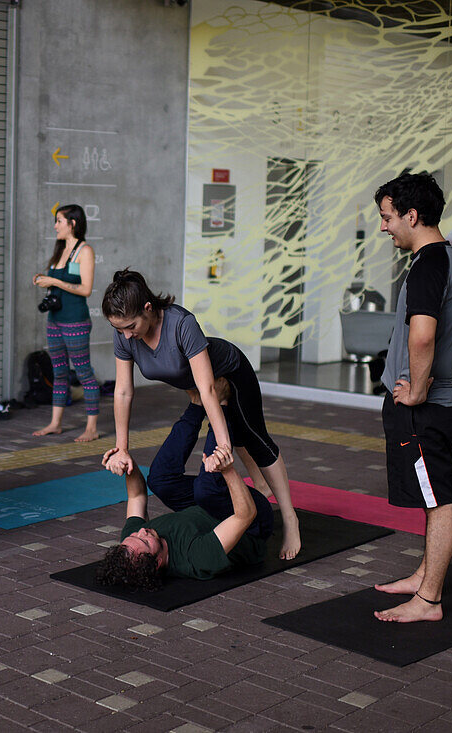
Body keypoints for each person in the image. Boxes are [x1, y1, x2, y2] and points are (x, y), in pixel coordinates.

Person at [101, 269, 302, 560]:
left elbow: (208, 389)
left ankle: (290, 518)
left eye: (130, 326)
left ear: (148, 308)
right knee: (238, 434)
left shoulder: (181, 324)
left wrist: (222, 447)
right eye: (120, 330)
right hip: (200, 386)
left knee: (253, 438)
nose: (126, 335)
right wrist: (122, 449)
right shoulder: (126, 334)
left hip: (230, 374)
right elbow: (122, 392)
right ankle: (257, 487)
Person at [371, 172, 452, 623]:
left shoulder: (429, 263)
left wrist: (419, 389)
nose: (384, 227)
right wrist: (440, 378)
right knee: (433, 495)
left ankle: (429, 600)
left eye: (388, 218)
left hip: (426, 410)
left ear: (412, 215)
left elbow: (424, 336)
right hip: (437, 401)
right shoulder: (451, 259)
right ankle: (424, 575)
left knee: (439, 498)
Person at [95, 439, 267, 591]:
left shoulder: (131, 544)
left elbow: (137, 495)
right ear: (157, 563)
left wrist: (127, 463)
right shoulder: (197, 558)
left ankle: (196, 407)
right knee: (207, 488)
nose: (142, 531)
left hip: (204, 505)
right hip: (253, 521)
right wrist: (228, 470)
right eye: (145, 540)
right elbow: (246, 515)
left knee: (159, 481)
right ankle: (221, 409)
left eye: (135, 534)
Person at [31, 204, 100, 442]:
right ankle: (55, 423)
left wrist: (54, 281)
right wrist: (44, 280)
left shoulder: (85, 251)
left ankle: (91, 428)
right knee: (59, 373)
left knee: (83, 373)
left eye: (59, 221)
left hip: (75, 322)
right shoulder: (59, 250)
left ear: (72, 223)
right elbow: (59, 282)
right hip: (55, 321)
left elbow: (86, 289)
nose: (55, 226)